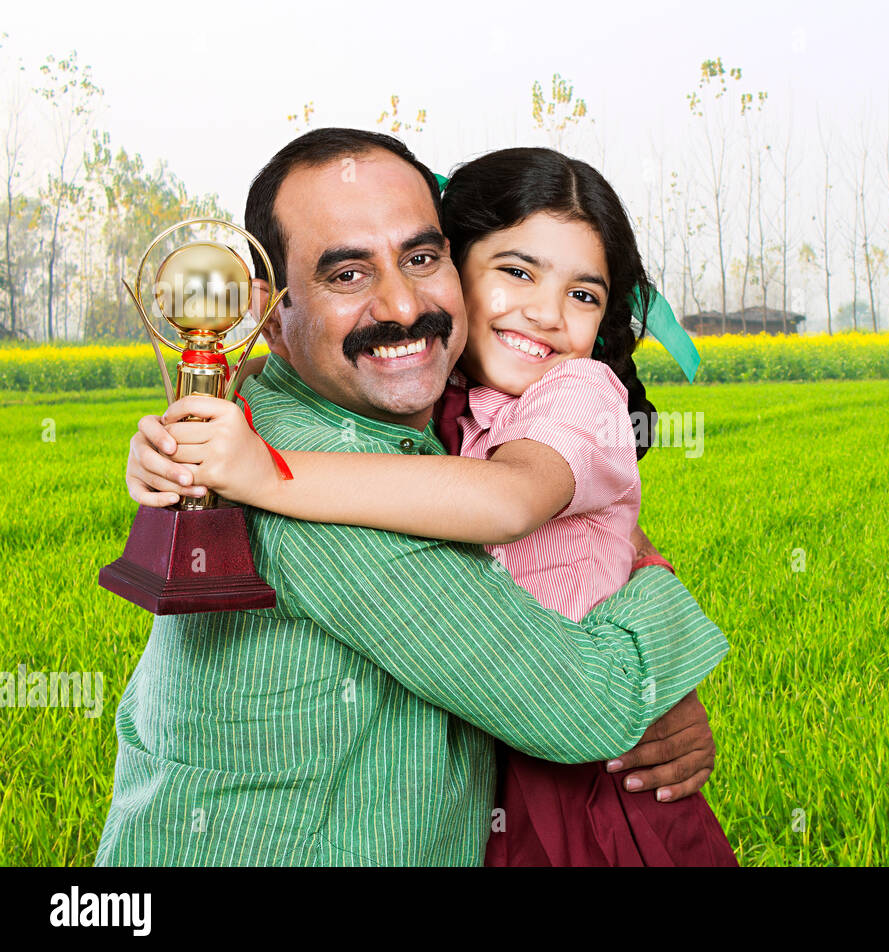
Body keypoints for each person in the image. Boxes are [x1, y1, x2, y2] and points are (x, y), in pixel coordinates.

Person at [98, 128, 728, 866]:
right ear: (271, 314)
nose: (401, 305)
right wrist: (659, 636)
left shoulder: (336, 418)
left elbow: (519, 506)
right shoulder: (310, 483)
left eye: (421, 258)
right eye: (346, 275)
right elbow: (589, 706)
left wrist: (626, 555)